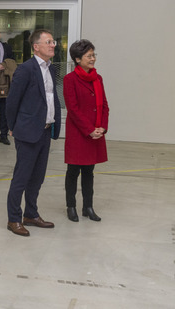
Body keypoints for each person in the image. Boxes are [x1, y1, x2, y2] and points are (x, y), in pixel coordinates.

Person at [5, 29, 61, 236]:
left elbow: (50, 98)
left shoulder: (51, 69)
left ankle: (30, 213)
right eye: (48, 42)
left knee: (37, 177)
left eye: (53, 41)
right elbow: (12, 102)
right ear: (36, 47)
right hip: (27, 131)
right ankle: (13, 219)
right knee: (21, 177)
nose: (53, 45)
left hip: (45, 130)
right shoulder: (26, 69)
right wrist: (13, 126)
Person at [64, 39, 109, 222]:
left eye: (93, 55)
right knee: (73, 172)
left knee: (89, 172)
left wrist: (102, 128)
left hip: (95, 133)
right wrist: (89, 130)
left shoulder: (98, 79)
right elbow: (72, 109)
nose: (93, 59)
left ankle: (88, 207)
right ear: (77, 59)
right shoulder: (70, 80)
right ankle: (71, 206)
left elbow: (104, 105)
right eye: (89, 56)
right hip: (79, 134)